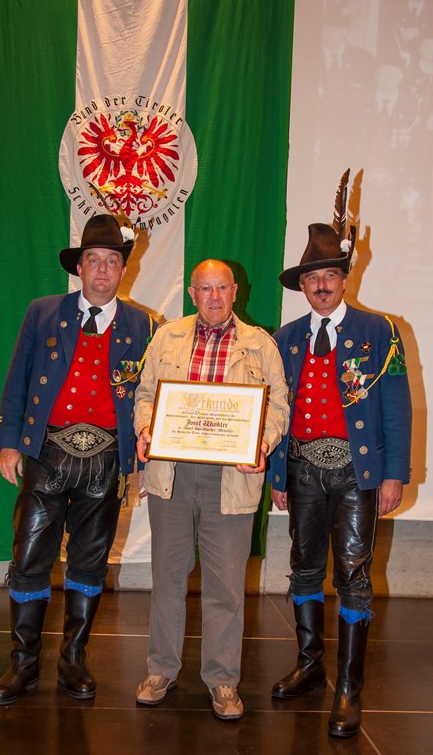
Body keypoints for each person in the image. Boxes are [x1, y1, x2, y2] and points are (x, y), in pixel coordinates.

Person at [0, 214, 155, 705]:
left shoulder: (142, 324)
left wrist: (142, 462)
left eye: (111, 262)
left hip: (106, 462)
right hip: (46, 454)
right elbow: (18, 377)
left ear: (123, 269)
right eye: (93, 261)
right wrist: (10, 441)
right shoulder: (43, 312)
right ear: (79, 267)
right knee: (30, 557)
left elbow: (150, 397)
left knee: (89, 560)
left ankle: (73, 660)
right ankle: (22, 664)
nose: (102, 271)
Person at [268, 175, 412, 738]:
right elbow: (278, 412)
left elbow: (396, 408)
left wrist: (393, 474)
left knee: (352, 574)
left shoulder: (382, 333)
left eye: (329, 275)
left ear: (344, 279)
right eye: (311, 278)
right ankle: (310, 664)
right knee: (304, 567)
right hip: (301, 468)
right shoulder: (286, 339)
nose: (321, 285)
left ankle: (349, 688)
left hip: (357, 473)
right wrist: (278, 473)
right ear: (302, 286)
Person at [133, 259, 289, 720]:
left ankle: (223, 681)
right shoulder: (166, 337)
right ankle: (160, 669)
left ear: (235, 291)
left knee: (225, 588)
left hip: (232, 480)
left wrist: (262, 441)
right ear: (191, 292)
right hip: (174, 475)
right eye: (205, 289)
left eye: (222, 288)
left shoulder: (261, 344)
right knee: (168, 580)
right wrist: (145, 428)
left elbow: (278, 403)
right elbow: (145, 395)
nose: (215, 297)